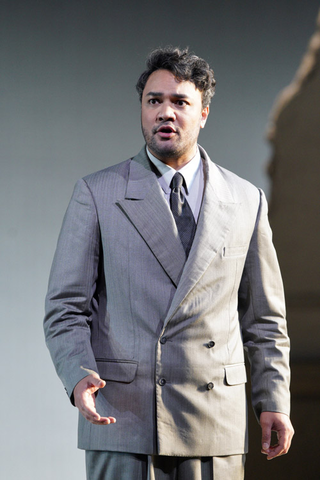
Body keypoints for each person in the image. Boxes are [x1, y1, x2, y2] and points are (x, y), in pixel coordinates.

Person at [44, 46, 294, 480]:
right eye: (154, 101)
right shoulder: (98, 193)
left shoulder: (245, 200)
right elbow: (65, 308)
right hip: (125, 416)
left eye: (179, 102)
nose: (165, 112)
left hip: (215, 419)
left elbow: (265, 320)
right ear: (142, 109)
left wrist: (273, 398)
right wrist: (78, 376)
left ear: (203, 114)